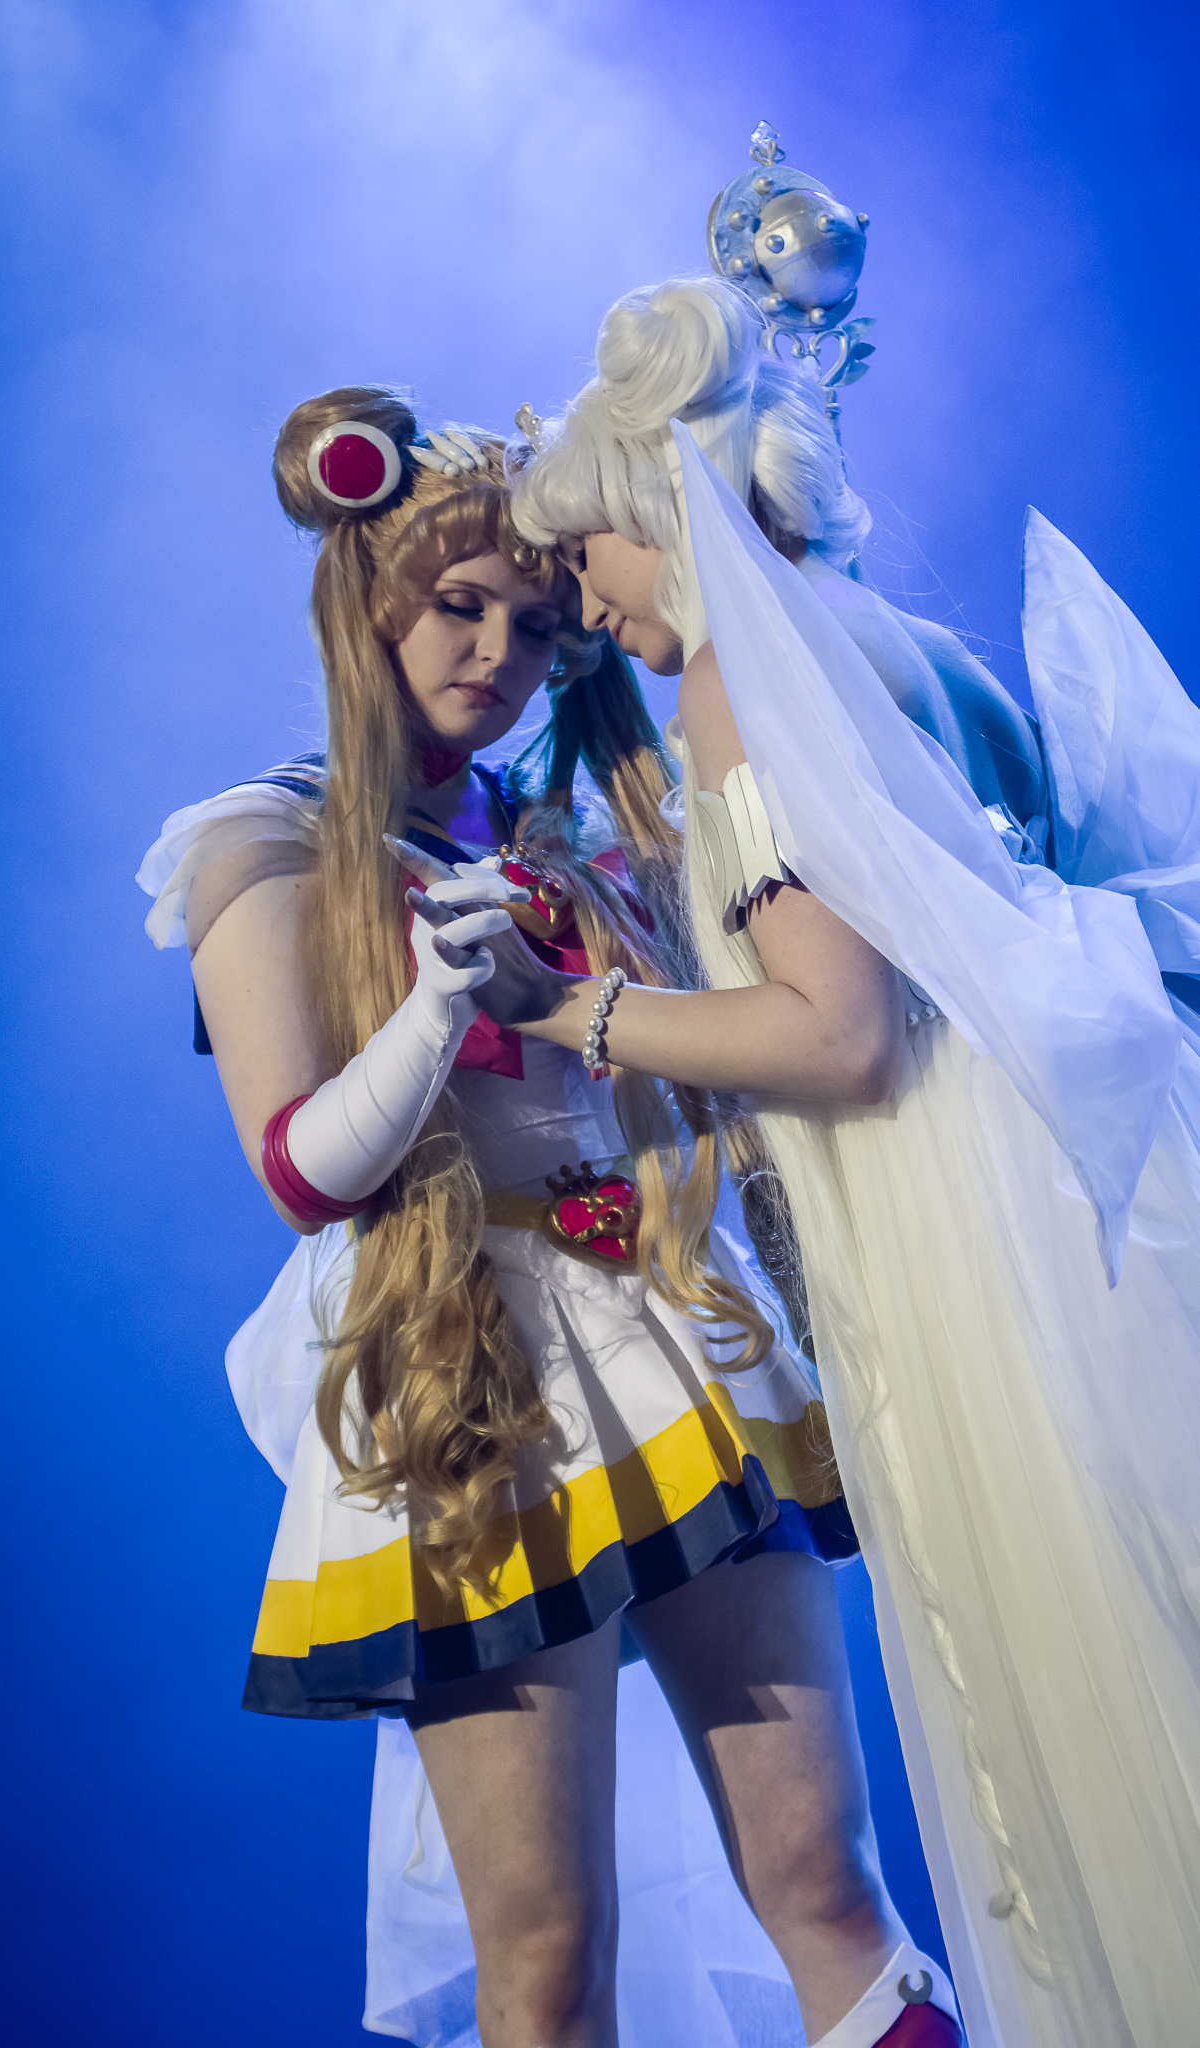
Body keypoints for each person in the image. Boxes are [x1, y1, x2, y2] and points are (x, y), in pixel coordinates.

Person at [402, 273, 1200, 2048]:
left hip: (973, 1231)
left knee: (1081, 1711)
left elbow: (841, 1037)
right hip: (1101, 1204)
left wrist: (566, 1008)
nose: (582, 609)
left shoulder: (740, 685)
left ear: (655, 511)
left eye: (581, 560)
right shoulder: (907, 646)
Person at [137, 387, 957, 2048]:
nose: (497, 655)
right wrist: (435, 1011)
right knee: (547, 1960)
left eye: (532, 625)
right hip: (465, 1389)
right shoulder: (263, 840)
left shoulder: (569, 826)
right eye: (458, 606)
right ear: (367, 599)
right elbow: (300, 1174)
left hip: (673, 1338)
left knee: (826, 1883)